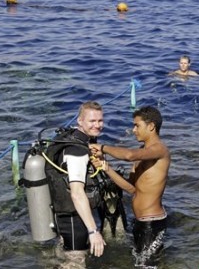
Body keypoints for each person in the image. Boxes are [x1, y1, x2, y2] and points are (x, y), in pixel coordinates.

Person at [89, 106, 170, 268]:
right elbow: (132, 188)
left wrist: (103, 148)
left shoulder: (159, 150)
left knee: (147, 266)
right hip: (139, 222)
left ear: (151, 126)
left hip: (152, 224)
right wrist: (107, 168)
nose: (134, 130)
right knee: (139, 263)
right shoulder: (143, 151)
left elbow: (128, 155)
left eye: (137, 125)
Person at [47, 101, 107, 268]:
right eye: (92, 121)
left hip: (64, 214)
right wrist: (93, 232)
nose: (97, 125)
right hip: (73, 219)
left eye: (100, 121)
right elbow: (77, 193)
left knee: (64, 259)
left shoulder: (72, 138)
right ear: (80, 121)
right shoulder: (76, 151)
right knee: (76, 261)